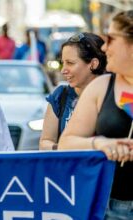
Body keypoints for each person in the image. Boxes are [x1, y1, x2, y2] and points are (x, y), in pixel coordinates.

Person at [58, 11, 133, 218]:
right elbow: (66, 143)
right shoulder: (102, 86)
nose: (104, 47)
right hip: (113, 207)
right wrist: (101, 144)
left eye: (111, 39)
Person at [39, 32, 107, 150]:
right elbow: (45, 142)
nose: (63, 70)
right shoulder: (61, 95)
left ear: (93, 64)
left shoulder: (114, 95)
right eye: (62, 63)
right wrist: (64, 149)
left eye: (70, 63)